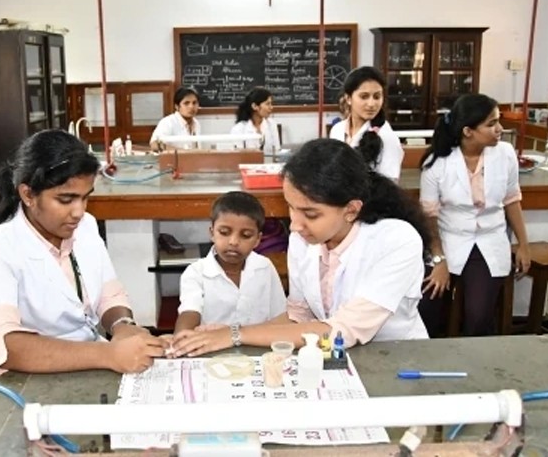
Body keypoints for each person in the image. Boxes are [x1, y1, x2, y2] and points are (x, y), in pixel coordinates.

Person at [170, 139, 430, 357]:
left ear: (351, 210)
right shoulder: (303, 240)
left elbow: (343, 329)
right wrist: (223, 334)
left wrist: (236, 334)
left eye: (310, 214)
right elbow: (299, 315)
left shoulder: (396, 241)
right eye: (290, 207)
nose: (294, 225)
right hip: (333, 356)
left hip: (395, 358)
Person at [0, 129, 165, 375]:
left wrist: (122, 325)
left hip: (95, 360)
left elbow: (109, 293)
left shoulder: (86, 226)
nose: (79, 212)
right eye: (66, 199)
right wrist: (109, 354)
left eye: (85, 198)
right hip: (37, 374)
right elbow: (6, 347)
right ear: (28, 194)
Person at [419, 93, 531, 337]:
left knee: (478, 317)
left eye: (498, 121)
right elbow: (429, 217)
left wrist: (523, 244)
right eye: (491, 124)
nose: (500, 129)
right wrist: (439, 261)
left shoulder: (505, 154)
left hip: (489, 240)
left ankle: (476, 365)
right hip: (447, 240)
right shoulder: (436, 163)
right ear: (468, 131)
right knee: (429, 305)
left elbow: (512, 199)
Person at [174, 191, 286, 334]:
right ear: (212, 233)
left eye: (245, 235)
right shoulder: (195, 273)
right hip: (211, 350)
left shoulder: (265, 267)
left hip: (257, 348)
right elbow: (189, 311)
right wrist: (183, 334)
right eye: (224, 232)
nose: (233, 242)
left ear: (258, 239)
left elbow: (280, 317)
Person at [329, 66, 404, 182]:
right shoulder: (337, 130)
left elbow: (390, 186)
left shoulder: (387, 137)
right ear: (348, 98)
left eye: (377, 97)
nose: (371, 104)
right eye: (364, 97)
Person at [230, 87, 281, 154]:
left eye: (271, 104)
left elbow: (277, 151)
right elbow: (237, 155)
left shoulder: (271, 124)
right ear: (254, 106)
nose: (271, 107)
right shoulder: (239, 129)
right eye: (267, 104)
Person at [150, 87, 200, 152]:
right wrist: (182, 152)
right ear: (177, 106)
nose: (191, 107)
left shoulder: (196, 123)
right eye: (186, 103)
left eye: (194, 103)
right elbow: (154, 144)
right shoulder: (168, 122)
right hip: (171, 161)